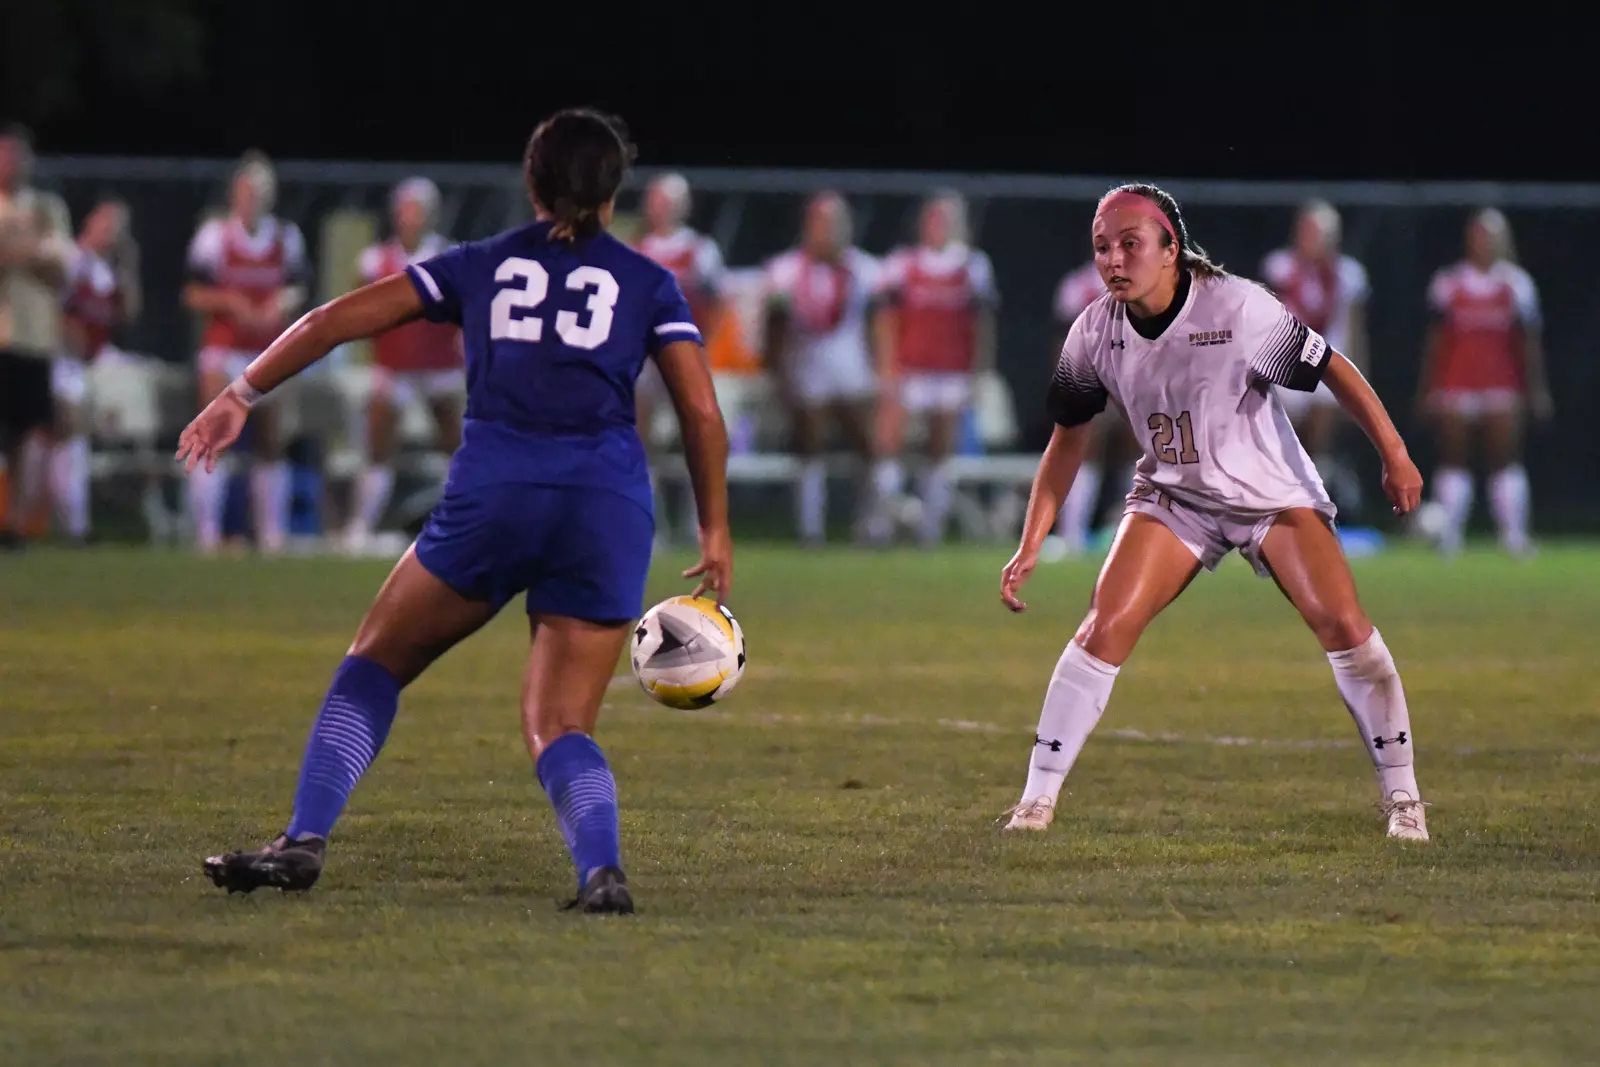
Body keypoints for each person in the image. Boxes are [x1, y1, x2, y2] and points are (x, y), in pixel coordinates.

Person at [184, 109, 733, 914]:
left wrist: (239, 393)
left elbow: (333, 319)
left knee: (374, 662)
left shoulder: (484, 262)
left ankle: (303, 838)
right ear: (615, 192)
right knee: (560, 722)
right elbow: (702, 412)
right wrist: (715, 525)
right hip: (605, 508)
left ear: (532, 182)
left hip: (496, 494)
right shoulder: (650, 282)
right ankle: (601, 870)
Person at [996, 183, 1429, 843]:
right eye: (1102, 247)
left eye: (1130, 244)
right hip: (1177, 499)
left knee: (1342, 620)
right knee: (1102, 627)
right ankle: (1034, 802)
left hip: (1269, 498)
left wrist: (1395, 453)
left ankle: (1404, 798)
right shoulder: (1095, 329)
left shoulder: (1236, 308)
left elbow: (1333, 366)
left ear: (1172, 249)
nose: (1113, 259)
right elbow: (1068, 437)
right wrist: (1032, 539)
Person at [182, 150, 310, 555]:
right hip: (225, 348)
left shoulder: (285, 237)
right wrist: (232, 302)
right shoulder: (214, 236)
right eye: (245, 190)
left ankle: (271, 535)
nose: (251, 198)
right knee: (215, 436)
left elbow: (298, 285)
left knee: (270, 441)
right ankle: (206, 533)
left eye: (258, 190)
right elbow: (192, 292)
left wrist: (282, 304)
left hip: (267, 350)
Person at [1416, 208, 1549, 557]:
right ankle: (1450, 536)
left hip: (1501, 383)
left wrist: (1535, 389)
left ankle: (1514, 536)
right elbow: (1437, 340)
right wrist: (1429, 387)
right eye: (1479, 235)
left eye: (1492, 236)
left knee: (1504, 459)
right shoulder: (1449, 283)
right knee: (1453, 458)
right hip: (1457, 383)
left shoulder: (1516, 285)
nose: (1484, 242)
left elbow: (1527, 342)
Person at [870, 189, 999, 546]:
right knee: (889, 442)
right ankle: (881, 523)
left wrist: (980, 372)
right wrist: (886, 367)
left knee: (940, 448)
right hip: (909, 367)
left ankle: (930, 527)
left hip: (951, 370)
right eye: (935, 217)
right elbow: (885, 320)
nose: (941, 225)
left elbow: (982, 323)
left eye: (949, 218)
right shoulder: (902, 263)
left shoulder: (973, 266)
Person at [343, 176, 464, 554]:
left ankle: (461, 524)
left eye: (416, 210)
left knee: (458, 440)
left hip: (440, 364)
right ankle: (360, 526)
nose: (409, 218)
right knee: (378, 437)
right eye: (404, 210)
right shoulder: (374, 260)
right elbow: (359, 311)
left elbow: (467, 311)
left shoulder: (449, 255)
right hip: (394, 365)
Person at [761, 191, 881, 545]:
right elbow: (775, 331)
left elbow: (880, 326)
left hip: (852, 368)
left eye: (837, 223)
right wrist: (777, 375)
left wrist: (884, 372)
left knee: (869, 447)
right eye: (822, 223)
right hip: (806, 367)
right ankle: (810, 527)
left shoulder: (865, 269)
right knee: (809, 445)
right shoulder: (785, 271)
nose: (830, 232)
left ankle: (871, 524)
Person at [631, 172, 727, 546]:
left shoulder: (700, 250)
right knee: (641, 441)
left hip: (685, 355)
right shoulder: (636, 249)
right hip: (645, 358)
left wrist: (705, 350)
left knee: (696, 438)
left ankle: (698, 523)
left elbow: (717, 304)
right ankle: (652, 525)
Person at [1260, 200, 1372, 517]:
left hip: (1329, 365)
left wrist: (1360, 386)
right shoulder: (1280, 267)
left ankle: (1314, 506)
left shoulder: (1349, 274)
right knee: (1284, 436)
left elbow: (1354, 331)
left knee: (1321, 430)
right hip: (1286, 363)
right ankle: (1277, 506)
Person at [52, 196, 141, 543]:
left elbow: (129, 313)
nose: (111, 231)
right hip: (66, 360)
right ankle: (74, 526)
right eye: (106, 221)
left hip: (97, 360)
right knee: (70, 435)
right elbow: (55, 308)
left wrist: (130, 264)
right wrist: (68, 336)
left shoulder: (110, 271)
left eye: (118, 226)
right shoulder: (73, 260)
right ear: (90, 221)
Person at [0, 122, 72, 548]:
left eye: (15, 155)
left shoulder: (46, 209)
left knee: (26, 432)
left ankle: (14, 523)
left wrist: (18, 252)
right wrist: (27, 250)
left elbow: (60, 269)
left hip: (31, 335)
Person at [1045, 256, 1137, 556]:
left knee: (1142, 440)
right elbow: (1065, 346)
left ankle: (1134, 534)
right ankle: (1072, 534)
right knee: (1086, 437)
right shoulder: (1077, 287)